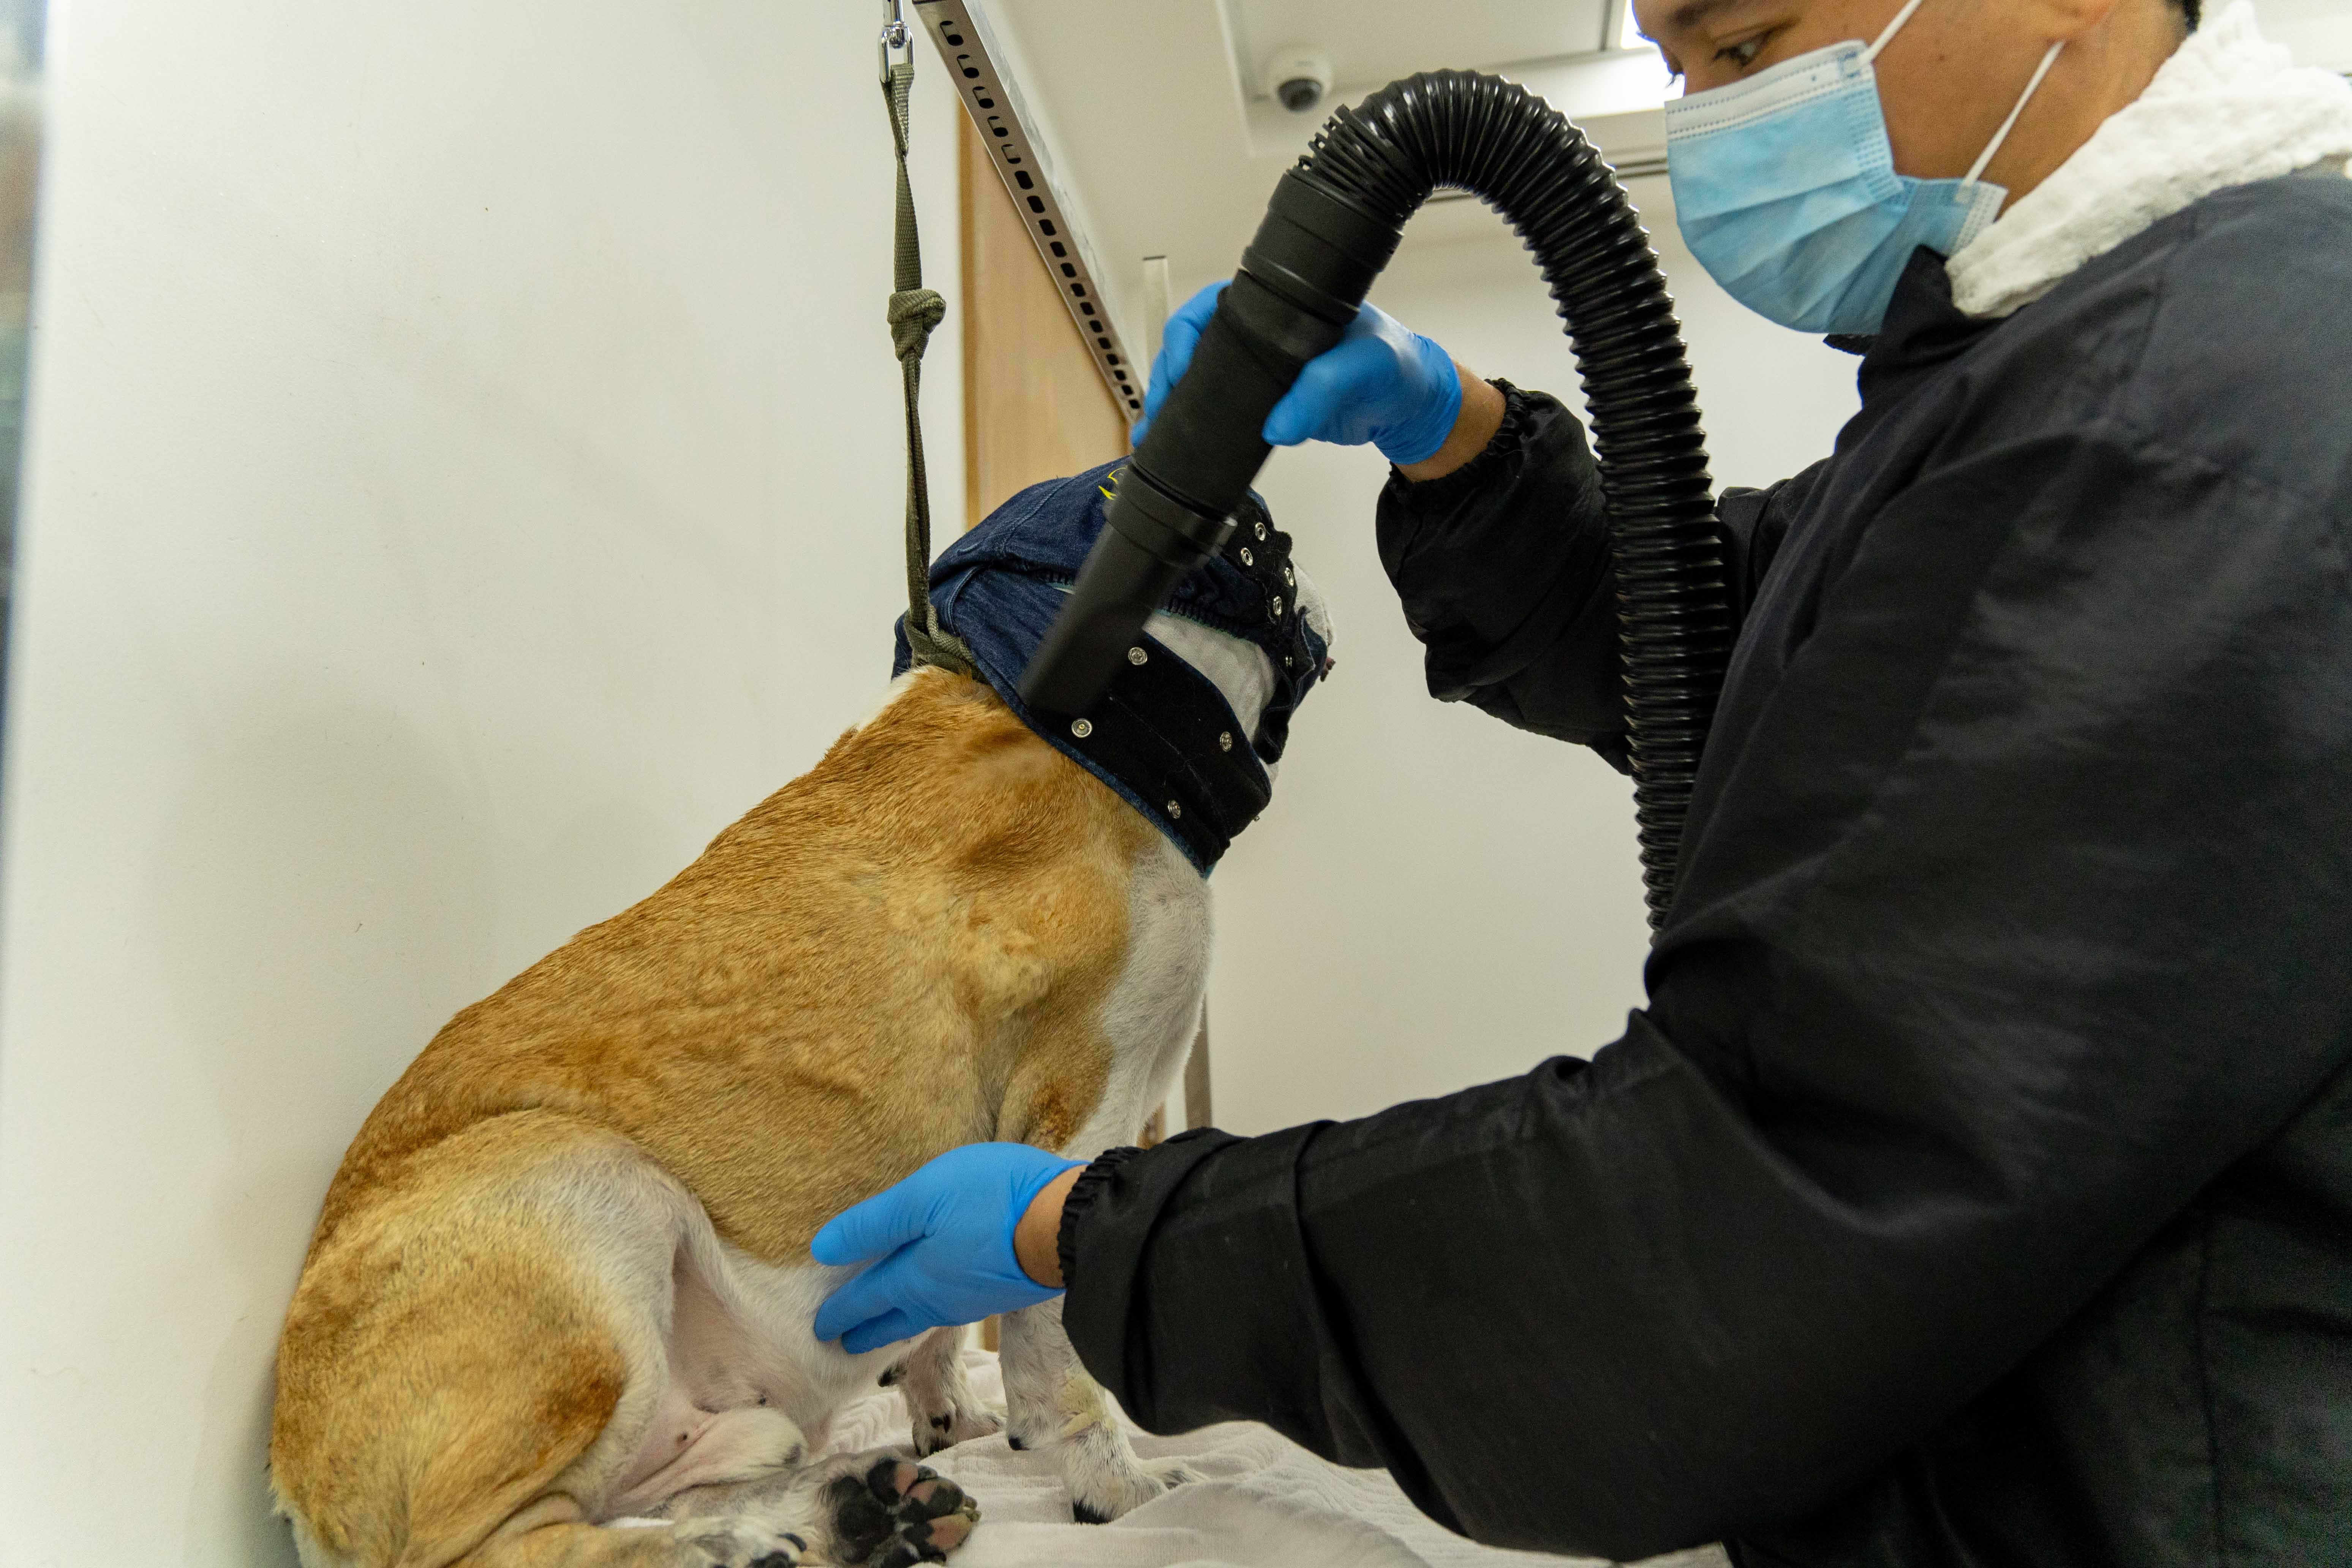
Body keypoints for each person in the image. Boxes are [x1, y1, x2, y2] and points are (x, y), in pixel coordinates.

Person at [810, 0, 2352, 1560]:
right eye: (1682, 76)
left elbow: (1749, 1234)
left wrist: (1089, 1234)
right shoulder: (2056, 372)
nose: (1712, 130)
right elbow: (1727, 636)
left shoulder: (2193, 421)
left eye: (1746, 49)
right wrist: (1458, 437)